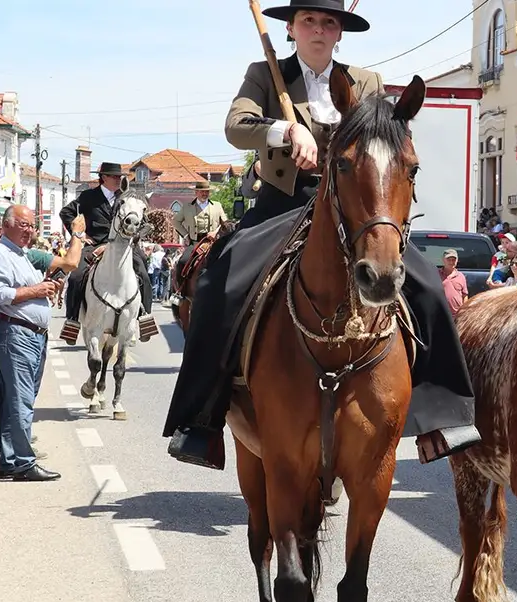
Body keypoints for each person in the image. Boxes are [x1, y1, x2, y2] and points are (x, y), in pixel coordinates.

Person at [163, 0, 481, 470]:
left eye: (328, 22)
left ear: (339, 34)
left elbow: (383, 137)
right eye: (308, 21)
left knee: (429, 286)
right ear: (291, 29)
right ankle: (202, 420)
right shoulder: (264, 74)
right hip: (284, 202)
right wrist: (285, 130)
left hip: (354, 206)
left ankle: (441, 416)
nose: (318, 29)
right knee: (218, 285)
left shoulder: (366, 82)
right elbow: (236, 127)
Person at [0, 205, 62, 481]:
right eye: (24, 225)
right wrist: (37, 290)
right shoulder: (0, 254)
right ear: (7, 224)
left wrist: (47, 286)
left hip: (35, 335)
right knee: (21, 401)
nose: (31, 231)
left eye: (33, 226)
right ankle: (23, 462)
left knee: (18, 399)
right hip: (17, 334)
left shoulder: (21, 255)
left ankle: (10, 458)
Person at [58, 162, 157, 344]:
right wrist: (79, 234)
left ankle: (145, 318)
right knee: (76, 277)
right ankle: (72, 320)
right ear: (103, 177)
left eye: (120, 177)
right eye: (114, 177)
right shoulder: (88, 197)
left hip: (123, 246)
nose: (118, 180)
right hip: (94, 244)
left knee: (143, 271)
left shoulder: (125, 198)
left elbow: (140, 223)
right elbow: (65, 213)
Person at [439, 248, 468, 316]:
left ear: (457, 260)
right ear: (443, 260)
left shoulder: (461, 276)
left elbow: (465, 295)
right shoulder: (436, 274)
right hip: (440, 314)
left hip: (457, 314)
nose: (451, 262)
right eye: (448, 260)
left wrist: (464, 311)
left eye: (453, 260)